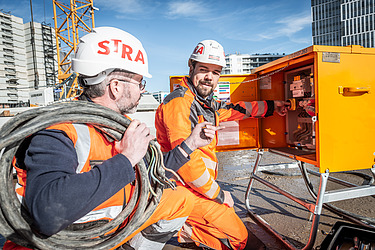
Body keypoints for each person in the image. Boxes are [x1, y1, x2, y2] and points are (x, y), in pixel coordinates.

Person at [3, 27, 220, 250]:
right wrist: (126, 159)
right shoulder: (59, 130)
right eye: (139, 83)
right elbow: (47, 214)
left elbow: (153, 169)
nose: (142, 91)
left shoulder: (119, 127)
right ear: (116, 87)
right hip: (56, 243)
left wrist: (191, 143)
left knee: (179, 198)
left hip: (105, 233)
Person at [155, 40, 289, 249]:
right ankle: (178, 224)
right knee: (239, 239)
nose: (209, 77)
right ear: (191, 67)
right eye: (204, 70)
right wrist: (219, 195)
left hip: (196, 188)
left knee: (233, 227)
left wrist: (271, 106)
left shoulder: (201, 102)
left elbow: (234, 109)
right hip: (182, 189)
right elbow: (186, 163)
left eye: (216, 72)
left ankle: (187, 225)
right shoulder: (181, 103)